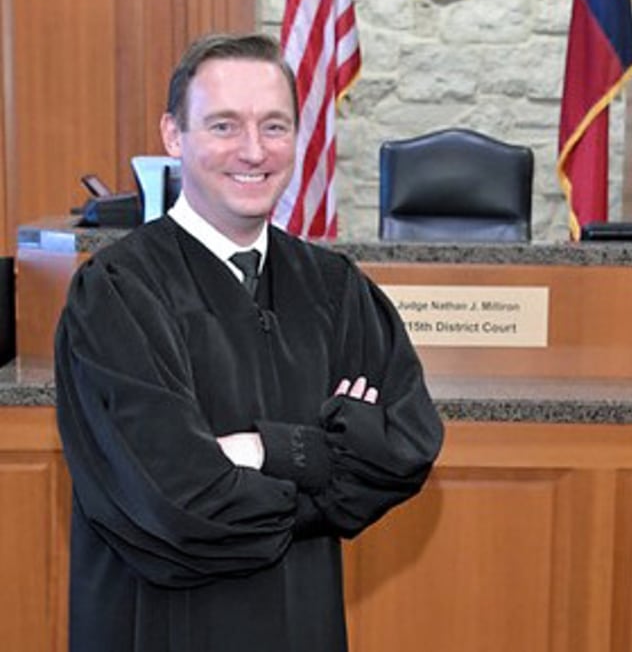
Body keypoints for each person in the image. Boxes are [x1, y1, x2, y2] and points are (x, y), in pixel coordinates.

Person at [54, 32, 443, 652]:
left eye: (274, 126)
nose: (253, 151)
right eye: (224, 126)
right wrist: (325, 466)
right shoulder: (117, 293)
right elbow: (173, 502)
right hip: (159, 624)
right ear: (174, 136)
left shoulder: (334, 287)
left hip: (303, 619)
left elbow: (404, 450)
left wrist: (264, 450)